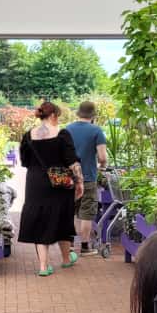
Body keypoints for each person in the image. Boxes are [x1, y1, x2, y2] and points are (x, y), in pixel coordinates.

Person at [18, 101, 84, 276]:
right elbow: (72, 161)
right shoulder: (62, 134)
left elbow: (25, 161)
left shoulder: (28, 136)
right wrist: (80, 182)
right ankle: (66, 259)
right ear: (53, 115)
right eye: (58, 116)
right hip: (60, 183)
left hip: (35, 183)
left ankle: (43, 266)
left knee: (40, 220)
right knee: (63, 217)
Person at [66, 101, 108, 256]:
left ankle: (70, 245)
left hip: (69, 178)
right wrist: (102, 165)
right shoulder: (96, 131)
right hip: (88, 178)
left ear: (78, 113)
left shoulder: (67, 129)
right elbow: (102, 157)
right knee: (86, 214)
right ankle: (85, 247)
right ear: (93, 115)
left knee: (71, 212)